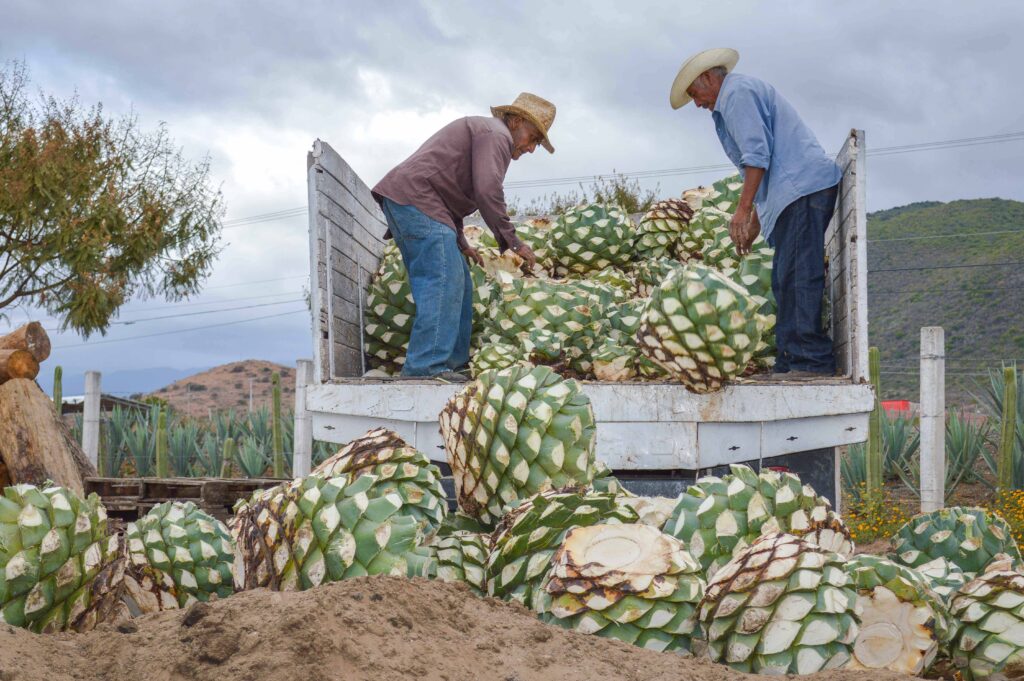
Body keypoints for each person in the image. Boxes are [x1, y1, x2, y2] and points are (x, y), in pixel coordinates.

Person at [670, 49, 841, 378]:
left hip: (803, 189)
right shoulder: (732, 98)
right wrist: (756, 219)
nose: (697, 103)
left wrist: (742, 210)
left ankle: (811, 362)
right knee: (784, 279)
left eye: (695, 94)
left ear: (708, 78)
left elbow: (757, 155)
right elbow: (766, 163)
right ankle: (792, 359)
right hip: (792, 194)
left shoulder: (737, 94)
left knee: (799, 277)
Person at [371, 93, 554, 381]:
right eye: (532, 138)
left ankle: (451, 367)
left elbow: (450, 192)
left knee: (460, 283)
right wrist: (513, 242)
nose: (531, 148)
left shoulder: (488, 134)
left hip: (422, 203)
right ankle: (425, 369)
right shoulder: (497, 135)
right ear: (516, 121)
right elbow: (487, 190)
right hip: (417, 200)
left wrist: (461, 242)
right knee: (442, 281)